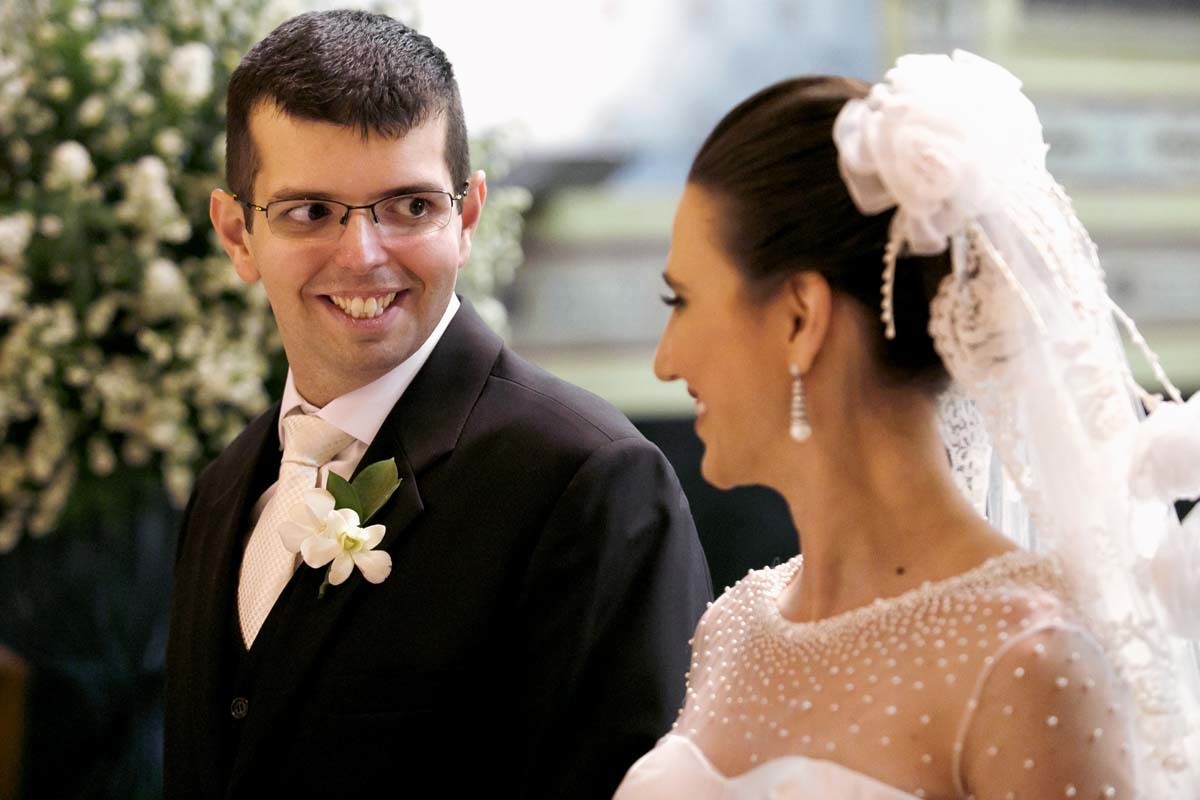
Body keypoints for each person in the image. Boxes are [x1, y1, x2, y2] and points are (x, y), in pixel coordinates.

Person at [615, 51, 1200, 799]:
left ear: (800, 317)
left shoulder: (1029, 660)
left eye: (683, 301)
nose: (667, 362)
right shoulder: (733, 630)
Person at [163, 10, 712, 798]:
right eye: (311, 211)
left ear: (468, 217)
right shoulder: (223, 488)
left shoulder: (589, 483)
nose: (363, 255)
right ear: (237, 235)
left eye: (410, 206)